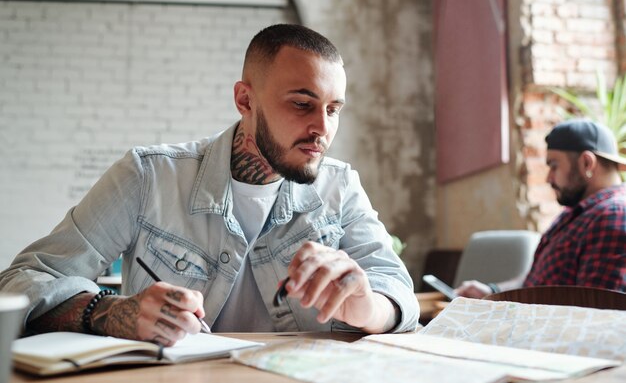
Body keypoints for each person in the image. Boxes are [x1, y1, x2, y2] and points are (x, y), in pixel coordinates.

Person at [0, 24, 419, 345]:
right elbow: (22, 281)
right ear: (245, 100)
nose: (322, 128)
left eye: (333, 109)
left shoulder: (340, 187)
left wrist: (366, 305)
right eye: (301, 104)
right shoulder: (149, 177)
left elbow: (399, 294)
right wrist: (110, 312)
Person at [456, 119, 626, 299]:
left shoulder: (613, 216)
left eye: (554, 165)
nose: (548, 178)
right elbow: (537, 281)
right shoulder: (576, 213)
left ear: (586, 163)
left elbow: (596, 313)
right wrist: (492, 291)